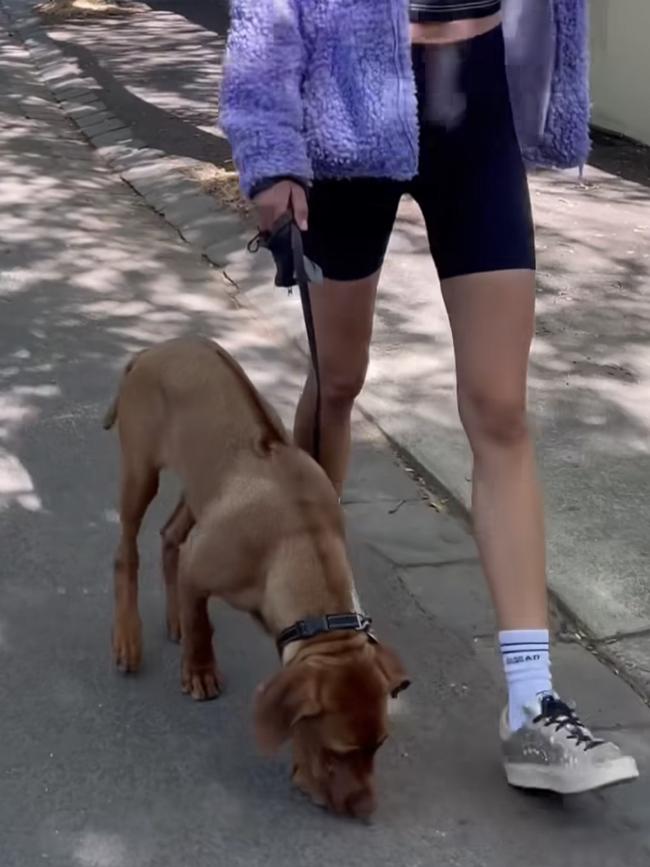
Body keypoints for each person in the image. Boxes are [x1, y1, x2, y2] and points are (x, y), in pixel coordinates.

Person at [220, 0, 639, 794]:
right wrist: (270, 144)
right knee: (339, 378)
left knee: (500, 410)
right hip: (349, 108)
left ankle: (532, 704)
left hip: (477, 98)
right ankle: (322, 607)